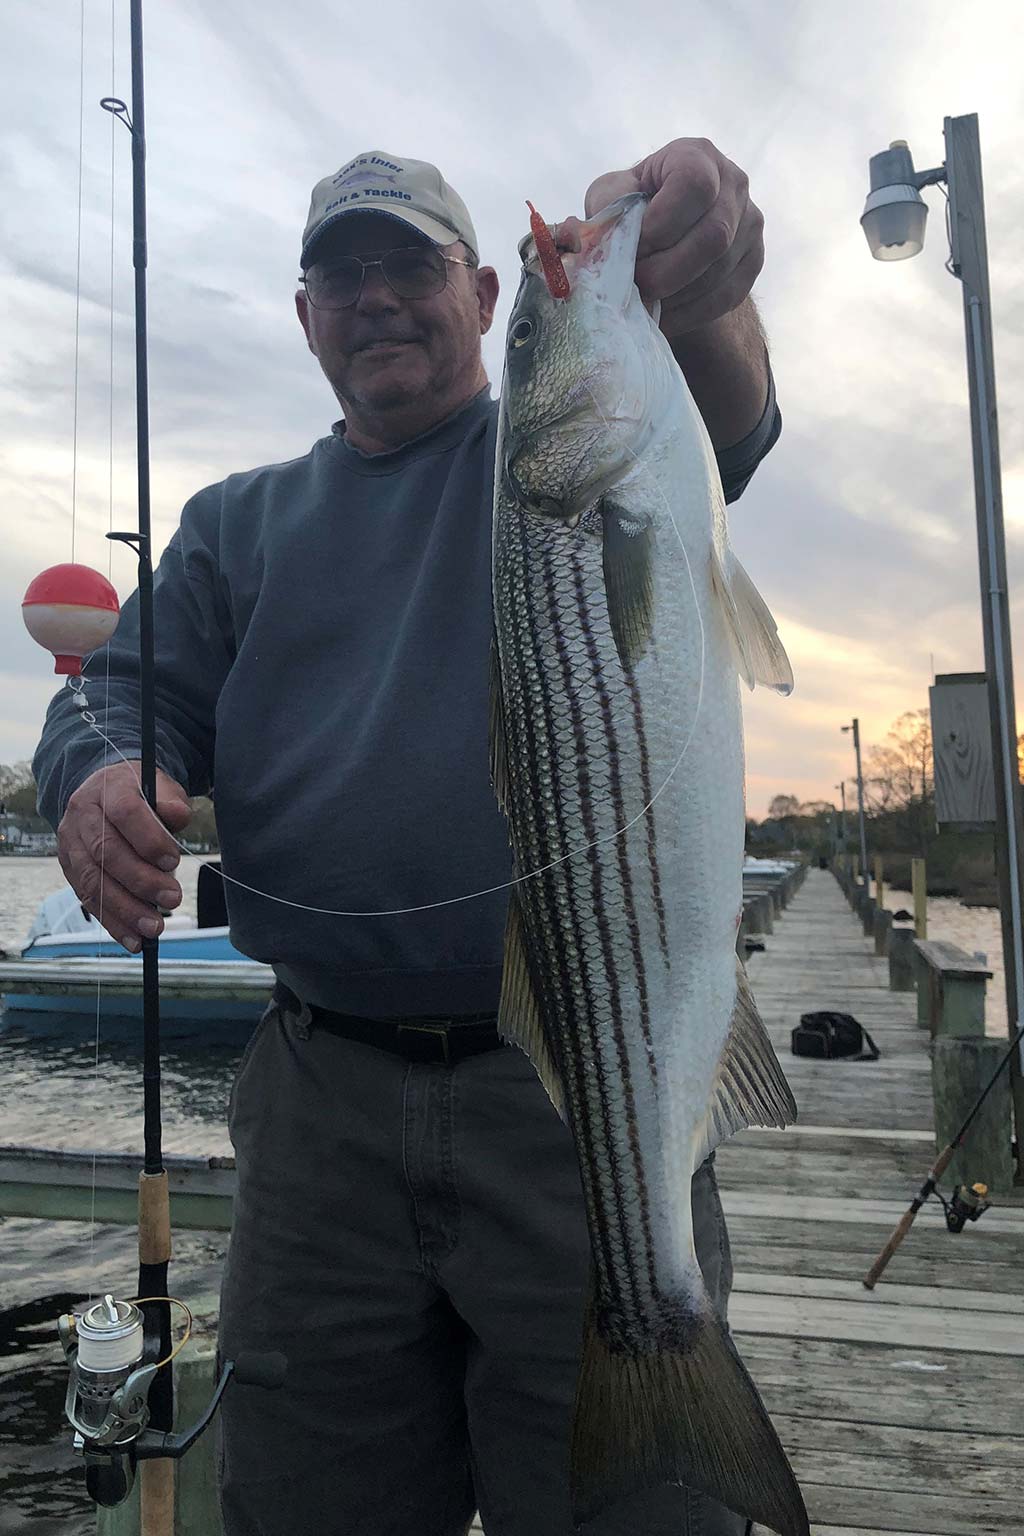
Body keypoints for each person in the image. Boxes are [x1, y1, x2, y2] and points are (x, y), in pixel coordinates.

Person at [34, 142, 781, 1536]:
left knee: (633, 1506)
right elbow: (121, 694)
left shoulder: (574, 453)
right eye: (341, 273)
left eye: (412, 265)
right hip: (319, 1109)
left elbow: (731, 408)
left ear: (486, 289)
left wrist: (702, 279)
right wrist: (91, 776)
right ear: (307, 316)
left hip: (569, 1094)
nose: (375, 297)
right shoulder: (232, 525)